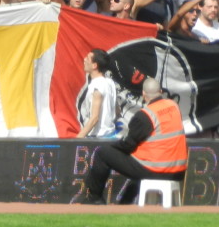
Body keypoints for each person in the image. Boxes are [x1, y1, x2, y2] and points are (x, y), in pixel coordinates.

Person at [82, 77, 186, 205]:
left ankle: (94, 199)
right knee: (139, 165)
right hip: (178, 171)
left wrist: (114, 146)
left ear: (143, 94)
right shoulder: (174, 106)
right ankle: (125, 204)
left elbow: (128, 145)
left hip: (156, 170)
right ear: (160, 91)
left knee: (103, 154)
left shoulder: (146, 115)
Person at [77, 48, 117, 138]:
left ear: (94, 65)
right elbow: (116, 110)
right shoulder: (110, 83)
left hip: (100, 137)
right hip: (110, 134)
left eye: (87, 58)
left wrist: (78, 139)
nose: (84, 59)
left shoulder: (97, 86)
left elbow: (94, 118)